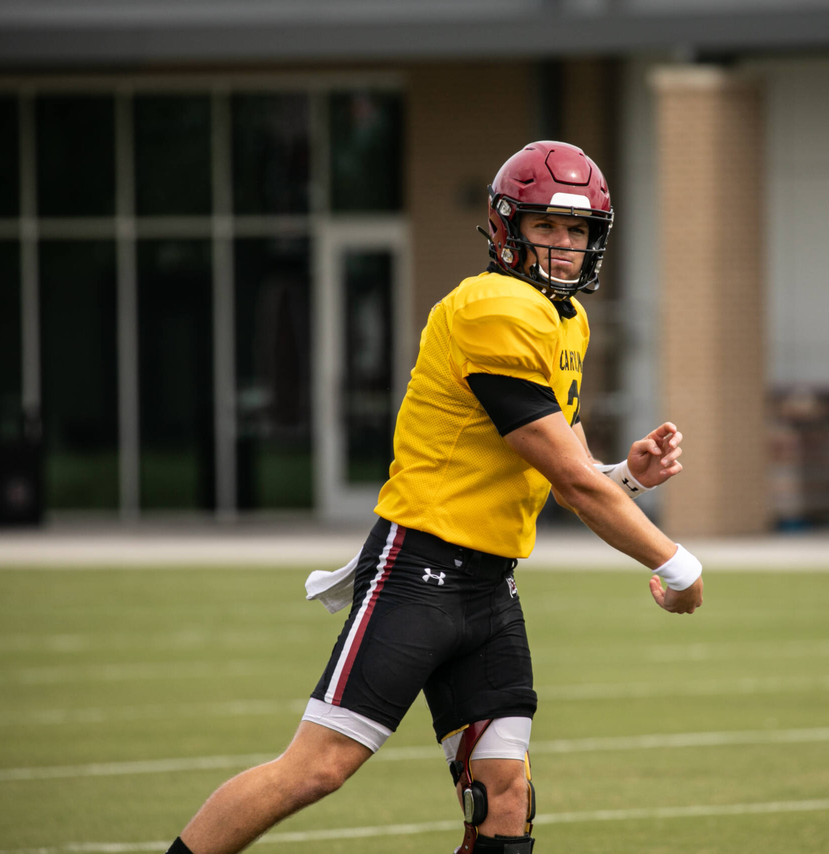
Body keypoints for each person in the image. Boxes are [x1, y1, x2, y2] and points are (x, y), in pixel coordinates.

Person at [165, 140, 704, 854]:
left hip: (488, 588)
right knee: (317, 769)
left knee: (505, 793)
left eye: (577, 231)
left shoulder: (564, 319)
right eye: (547, 226)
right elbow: (571, 481)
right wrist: (677, 564)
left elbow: (566, 469)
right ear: (507, 225)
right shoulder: (491, 308)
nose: (564, 245)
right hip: (416, 574)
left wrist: (628, 475)